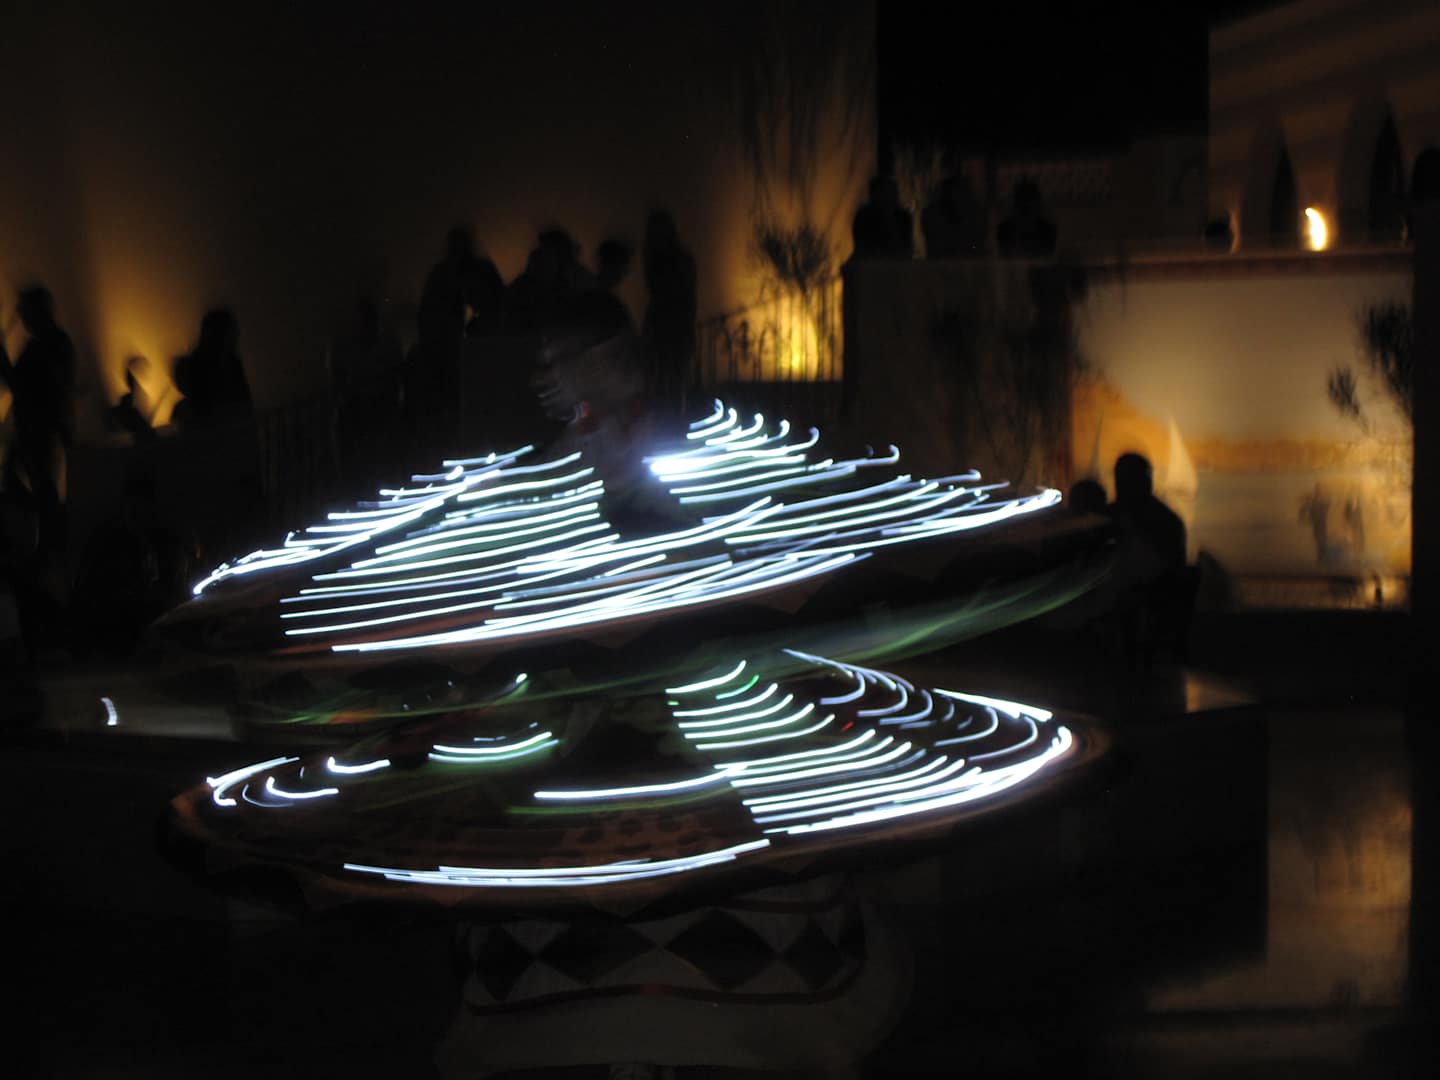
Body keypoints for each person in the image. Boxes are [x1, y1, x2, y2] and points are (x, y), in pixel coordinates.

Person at [0, 285, 76, 559]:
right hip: (41, 433)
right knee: (39, 493)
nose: (21, 318)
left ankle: (47, 552)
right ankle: (43, 549)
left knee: (44, 495)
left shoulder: (49, 345)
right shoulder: (54, 343)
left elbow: (23, 386)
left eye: (24, 311)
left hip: (43, 434)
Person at [172, 308, 252, 430]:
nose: (236, 336)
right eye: (231, 333)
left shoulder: (231, 363)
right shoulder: (229, 364)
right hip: (216, 431)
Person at [851, 174, 913, 258]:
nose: (887, 198)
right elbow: (862, 248)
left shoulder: (903, 218)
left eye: (890, 193)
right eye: (884, 193)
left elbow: (906, 249)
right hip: (873, 261)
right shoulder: (864, 217)